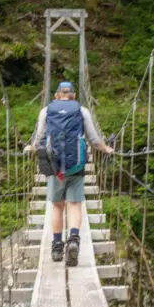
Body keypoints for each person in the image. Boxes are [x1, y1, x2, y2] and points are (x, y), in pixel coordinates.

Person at [24, 81, 114, 266]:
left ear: (56, 95)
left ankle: (57, 246)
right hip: (77, 165)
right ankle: (73, 239)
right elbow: (94, 140)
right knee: (74, 204)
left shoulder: (46, 110)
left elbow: (39, 137)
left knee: (57, 206)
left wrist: (31, 148)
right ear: (74, 96)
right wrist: (106, 149)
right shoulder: (82, 111)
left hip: (55, 167)